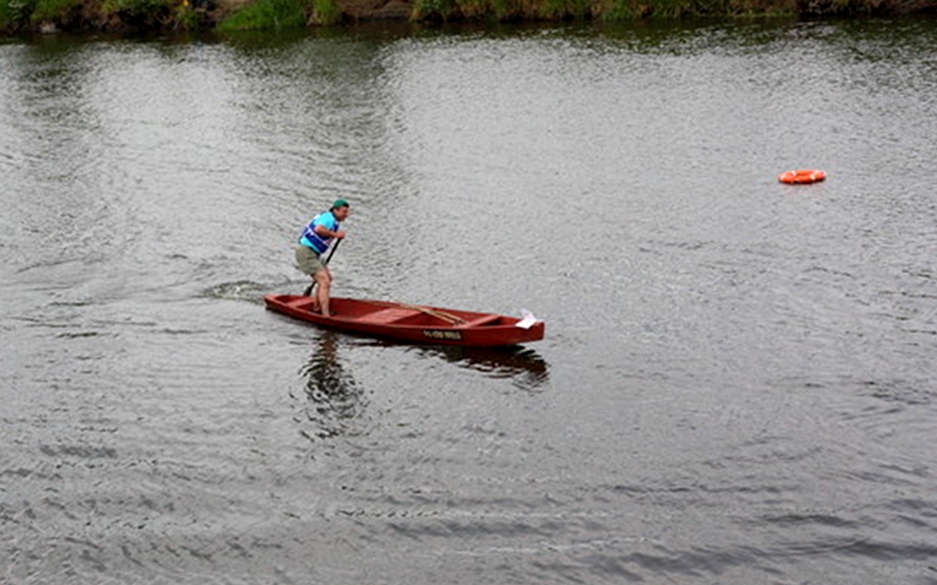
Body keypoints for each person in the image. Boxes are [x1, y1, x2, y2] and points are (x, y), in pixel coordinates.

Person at [295, 199, 349, 317]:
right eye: (344, 212)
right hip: (306, 251)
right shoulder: (328, 218)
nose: (346, 215)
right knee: (324, 281)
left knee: (328, 278)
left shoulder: (332, 220)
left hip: (315, 253)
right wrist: (335, 234)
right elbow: (318, 229)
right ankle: (325, 315)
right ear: (335, 210)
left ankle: (317, 307)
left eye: (347, 212)